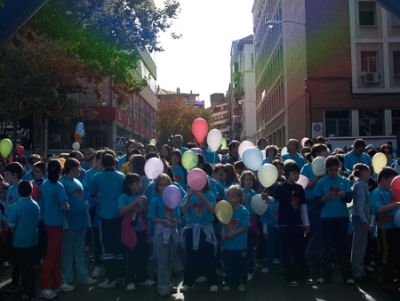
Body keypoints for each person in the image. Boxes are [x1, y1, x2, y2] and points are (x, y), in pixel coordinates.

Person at [313, 156, 354, 285]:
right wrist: (325, 198)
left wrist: (343, 196)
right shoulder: (321, 183)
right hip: (327, 219)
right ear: (326, 169)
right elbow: (316, 203)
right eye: (331, 170)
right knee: (327, 248)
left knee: (343, 248)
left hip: (341, 218)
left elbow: (349, 198)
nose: (334, 172)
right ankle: (325, 275)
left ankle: (347, 276)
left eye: (336, 169)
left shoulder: (344, 181)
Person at [90, 151, 126, 289]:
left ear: (102, 163)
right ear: (114, 163)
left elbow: (92, 193)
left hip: (105, 217)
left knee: (108, 249)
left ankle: (110, 278)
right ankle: (121, 276)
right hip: (120, 216)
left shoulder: (97, 177)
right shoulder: (121, 176)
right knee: (119, 248)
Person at [272, 161, 311, 286]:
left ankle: (302, 276)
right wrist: (266, 199)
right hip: (284, 225)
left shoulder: (299, 188)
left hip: (298, 225)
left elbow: (303, 207)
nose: (296, 176)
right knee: (287, 252)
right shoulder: (280, 188)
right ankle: (289, 277)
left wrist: (306, 223)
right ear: (287, 174)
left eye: (297, 173)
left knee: (299, 251)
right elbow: (273, 199)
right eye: (294, 173)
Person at [59, 158, 97, 286]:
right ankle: (66, 278)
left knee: (79, 251)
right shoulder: (62, 183)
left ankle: (83, 276)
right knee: (67, 251)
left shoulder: (77, 182)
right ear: (73, 168)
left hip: (81, 222)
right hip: (69, 223)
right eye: (78, 167)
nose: (80, 170)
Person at [39, 159, 72, 300]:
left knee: (55, 254)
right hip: (56, 223)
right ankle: (45, 285)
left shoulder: (45, 184)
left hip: (47, 221)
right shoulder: (58, 186)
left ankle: (57, 281)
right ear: (60, 170)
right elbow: (65, 206)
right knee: (52, 255)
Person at [180, 181, 218, 293]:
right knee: (191, 256)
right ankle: (188, 282)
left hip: (205, 229)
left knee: (208, 255)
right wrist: (188, 197)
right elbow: (183, 210)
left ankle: (213, 281)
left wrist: (203, 199)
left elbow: (213, 210)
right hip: (192, 229)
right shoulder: (189, 195)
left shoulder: (209, 195)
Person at [118, 173, 154, 291]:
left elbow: (145, 213)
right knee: (131, 256)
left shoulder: (140, 196)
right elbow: (121, 211)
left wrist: (145, 204)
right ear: (129, 185)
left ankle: (142, 278)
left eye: (140, 182)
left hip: (141, 229)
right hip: (130, 231)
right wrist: (134, 203)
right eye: (137, 183)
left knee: (143, 255)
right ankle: (130, 280)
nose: (140, 185)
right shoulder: (124, 196)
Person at [147, 173, 180, 297]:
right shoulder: (155, 200)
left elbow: (176, 213)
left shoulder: (173, 198)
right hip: (161, 232)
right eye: (161, 185)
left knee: (170, 259)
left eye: (166, 184)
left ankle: (169, 283)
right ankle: (162, 286)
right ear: (157, 187)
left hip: (172, 231)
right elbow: (151, 217)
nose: (163, 187)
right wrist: (164, 221)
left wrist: (175, 220)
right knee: (162, 261)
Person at [7, 181, 40, 301]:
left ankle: (28, 292)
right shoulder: (35, 204)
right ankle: (31, 290)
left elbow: (11, 223)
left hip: (20, 241)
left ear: (18, 192)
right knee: (31, 267)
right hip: (33, 240)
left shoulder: (17, 206)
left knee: (24, 269)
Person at [370, 167, 400, 292]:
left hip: (397, 227)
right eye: (392, 181)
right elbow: (379, 209)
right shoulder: (378, 192)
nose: (394, 184)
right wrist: (397, 204)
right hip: (386, 229)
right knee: (388, 255)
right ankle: (387, 281)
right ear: (383, 179)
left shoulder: (394, 191)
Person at [300, 144, 329, 271]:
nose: (327, 154)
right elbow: (300, 186)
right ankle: (307, 259)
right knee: (317, 234)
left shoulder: (328, 168)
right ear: (318, 153)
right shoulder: (306, 167)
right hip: (311, 203)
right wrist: (313, 182)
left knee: (324, 235)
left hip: (326, 204)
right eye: (325, 152)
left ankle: (319, 262)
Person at [221, 184, 250, 292]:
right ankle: (229, 282)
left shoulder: (243, 211)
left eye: (233, 196)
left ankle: (241, 282)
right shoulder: (227, 210)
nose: (230, 199)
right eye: (229, 197)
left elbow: (244, 226)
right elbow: (223, 223)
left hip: (240, 244)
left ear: (239, 197)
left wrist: (233, 234)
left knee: (241, 264)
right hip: (228, 244)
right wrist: (223, 232)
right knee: (229, 264)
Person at [82, 149, 104, 279]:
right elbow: (85, 192)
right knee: (96, 237)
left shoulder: (108, 173)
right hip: (93, 209)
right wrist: (94, 199)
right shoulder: (90, 174)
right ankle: (97, 265)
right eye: (98, 159)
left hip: (108, 210)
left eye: (102, 160)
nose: (100, 162)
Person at [350, 163, 372, 282]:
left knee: (361, 246)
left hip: (360, 218)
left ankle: (359, 270)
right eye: (368, 170)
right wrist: (365, 221)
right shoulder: (360, 185)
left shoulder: (362, 184)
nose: (370, 173)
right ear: (362, 171)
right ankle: (357, 272)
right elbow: (359, 206)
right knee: (359, 246)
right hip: (359, 219)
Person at [3, 162, 24, 293]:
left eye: (7, 174)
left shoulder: (22, 189)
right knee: (13, 257)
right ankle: (15, 281)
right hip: (9, 228)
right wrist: (6, 222)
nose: (5, 176)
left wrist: (14, 226)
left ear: (15, 175)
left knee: (19, 258)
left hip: (18, 230)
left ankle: (19, 283)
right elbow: (6, 208)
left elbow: (20, 212)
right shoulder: (10, 189)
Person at [240, 170, 258, 281]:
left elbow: (257, 210)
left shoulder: (255, 194)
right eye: (246, 179)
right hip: (240, 222)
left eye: (250, 179)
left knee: (250, 246)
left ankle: (250, 268)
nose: (248, 181)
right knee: (242, 247)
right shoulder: (239, 192)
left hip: (251, 223)